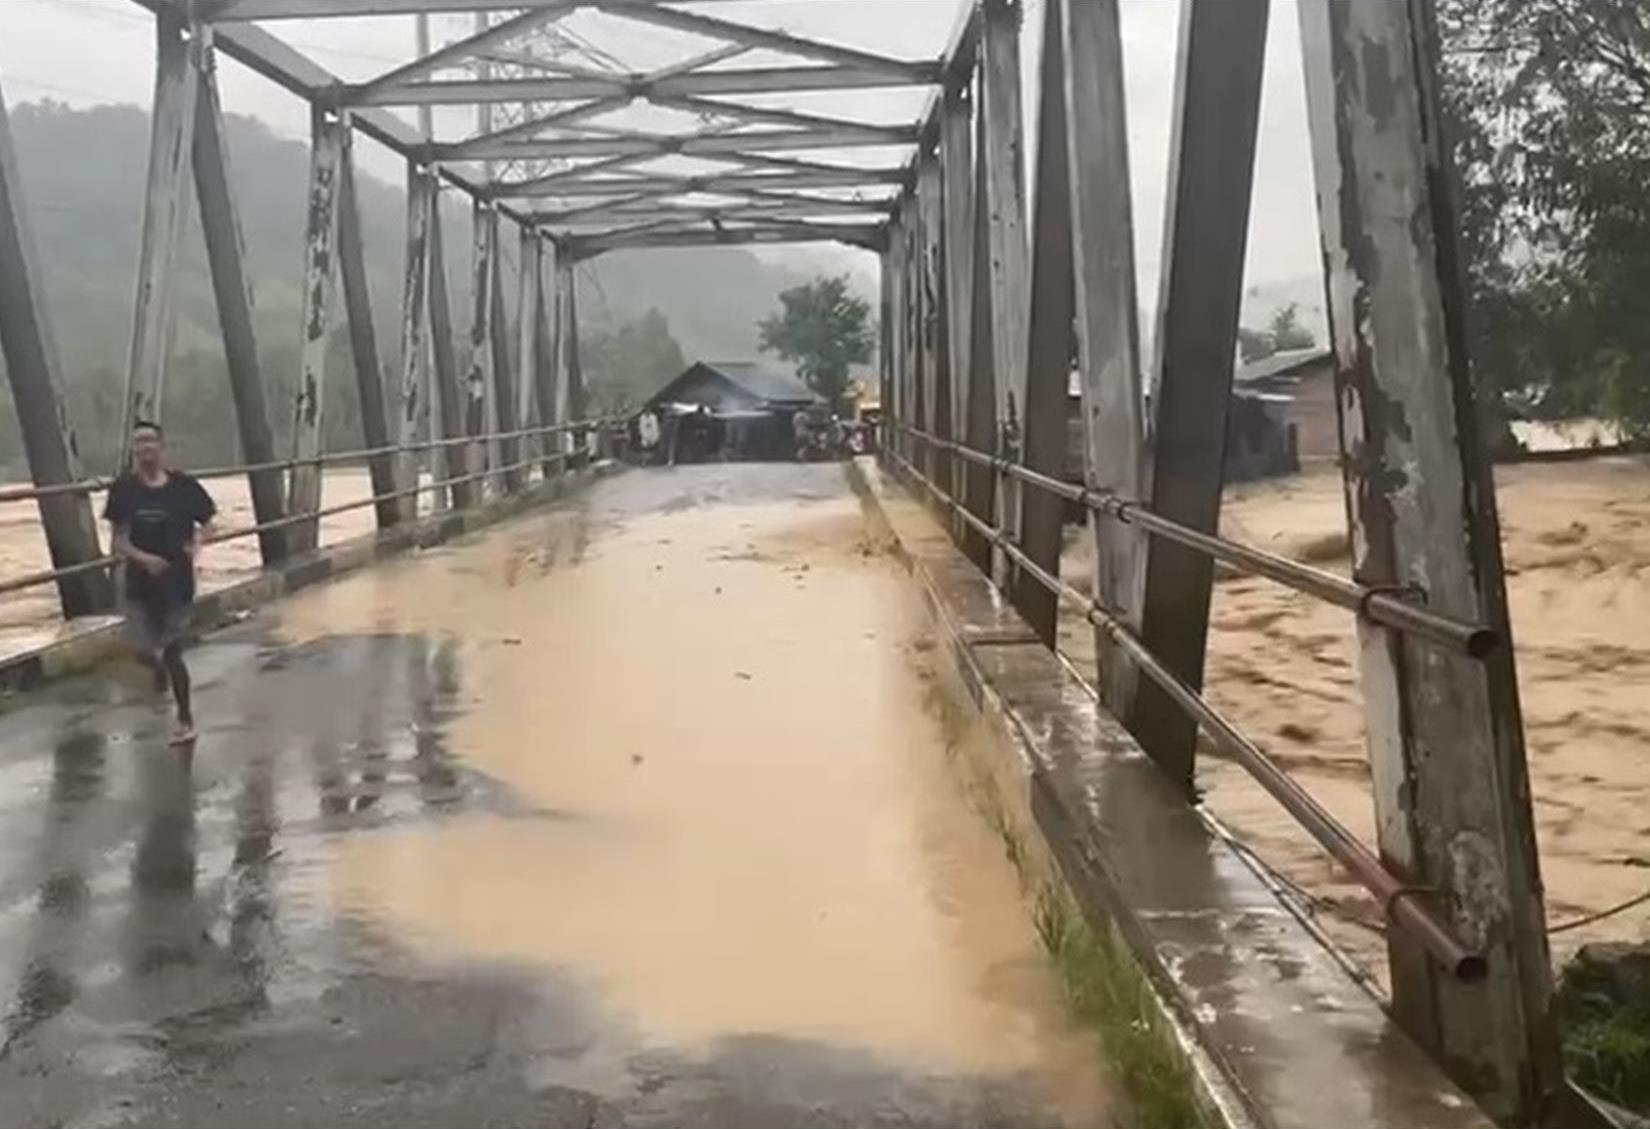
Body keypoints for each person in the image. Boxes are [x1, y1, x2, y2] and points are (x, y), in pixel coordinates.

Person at [104, 420, 217, 746]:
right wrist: (144, 559)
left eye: (151, 440)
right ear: (133, 449)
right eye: (139, 442)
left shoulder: (183, 486)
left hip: (177, 582)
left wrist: (196, 542)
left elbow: (210, 522)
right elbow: (119, 541)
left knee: (171, 649)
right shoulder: (123, 489)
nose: (145, 447)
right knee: (142, 649)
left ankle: (184, 719)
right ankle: (156, 669)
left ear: (161, 446)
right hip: (139, 582)